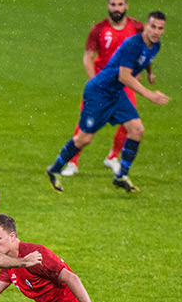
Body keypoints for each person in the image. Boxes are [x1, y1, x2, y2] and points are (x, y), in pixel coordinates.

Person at [46, 11, 170, 194]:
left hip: (116, 94)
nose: (156, 31)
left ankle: (121, 175)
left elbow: (147, 58)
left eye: (160, 28)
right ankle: (54, 169)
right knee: (84, 138)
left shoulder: (155, 45)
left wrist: (149, 72)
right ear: (146, 25)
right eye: (153, 26)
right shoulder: (133, 44)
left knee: (137, 130)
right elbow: (124, 75)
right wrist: (149, 94)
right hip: (99, 92)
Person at [62, 0, 146, 178]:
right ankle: (73, 162)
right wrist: (95, 80)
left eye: (120, 5)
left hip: (124, 83)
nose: (116, 8)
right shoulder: (99, 29)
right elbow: (88, 57)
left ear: (126, 6)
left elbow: (143, 52)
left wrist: (140, 72)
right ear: (108, 7)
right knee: (85, 123)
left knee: (130, 122)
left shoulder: (136, 28)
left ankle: (112, 157)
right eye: (113, 5)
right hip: (101, 83)